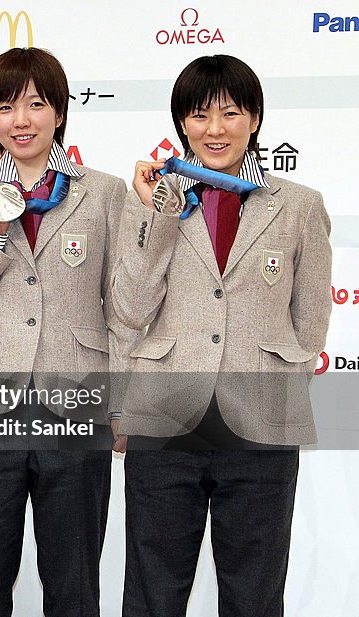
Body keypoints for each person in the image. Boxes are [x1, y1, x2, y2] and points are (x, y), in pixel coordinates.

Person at [113, 54, 332, 617]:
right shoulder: (151, 199)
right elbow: (131, 308)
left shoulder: (300, 207)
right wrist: (160, 213)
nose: (215, 129)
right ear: (181, 124)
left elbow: (310, 321)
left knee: (255, 594)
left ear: (254, 119)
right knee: (152, 592)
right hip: (164, 423)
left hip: (261, 426)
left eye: (230, 113)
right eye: (200, 115)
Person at [0, 47, 137, 617]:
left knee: (73, 582)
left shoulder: (107, 194)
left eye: (36, 105)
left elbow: (121, 310)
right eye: (5, 107)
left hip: (77, 408)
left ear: (60, 112)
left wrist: (120, 403)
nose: (21, 121)